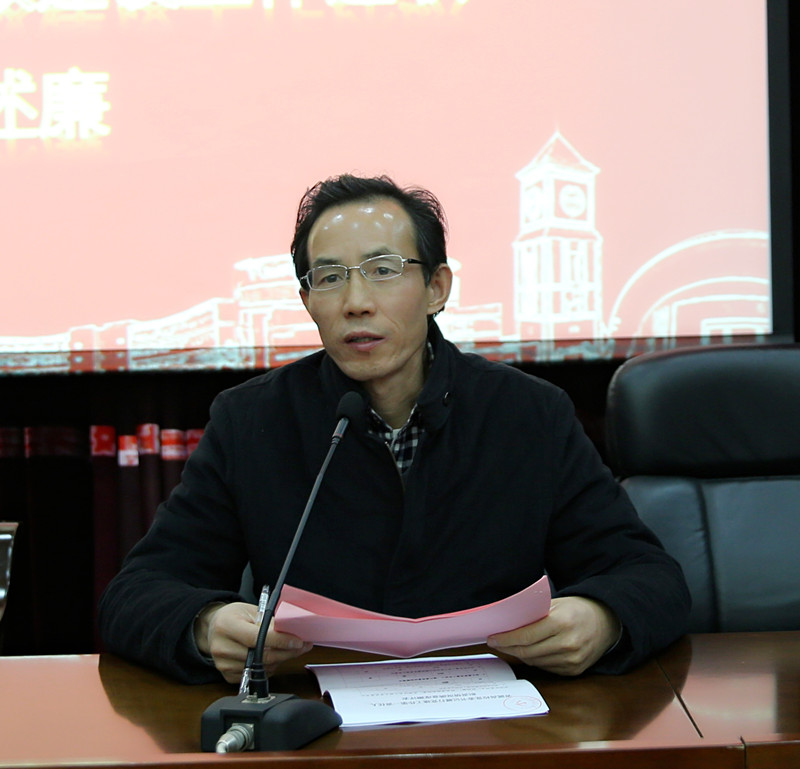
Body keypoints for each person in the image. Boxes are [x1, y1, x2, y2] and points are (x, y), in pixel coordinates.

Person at [98, 174, 690, 685]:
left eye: (383, 271)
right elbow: (137, 592)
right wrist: (205, 625)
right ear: (307, 300)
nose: (356, 302)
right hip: (317, 722)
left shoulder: (529, 413)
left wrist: (600, 618)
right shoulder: (252, 420)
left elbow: (648, 576)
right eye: (330, 278)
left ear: (436, 288)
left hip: (502, 724)